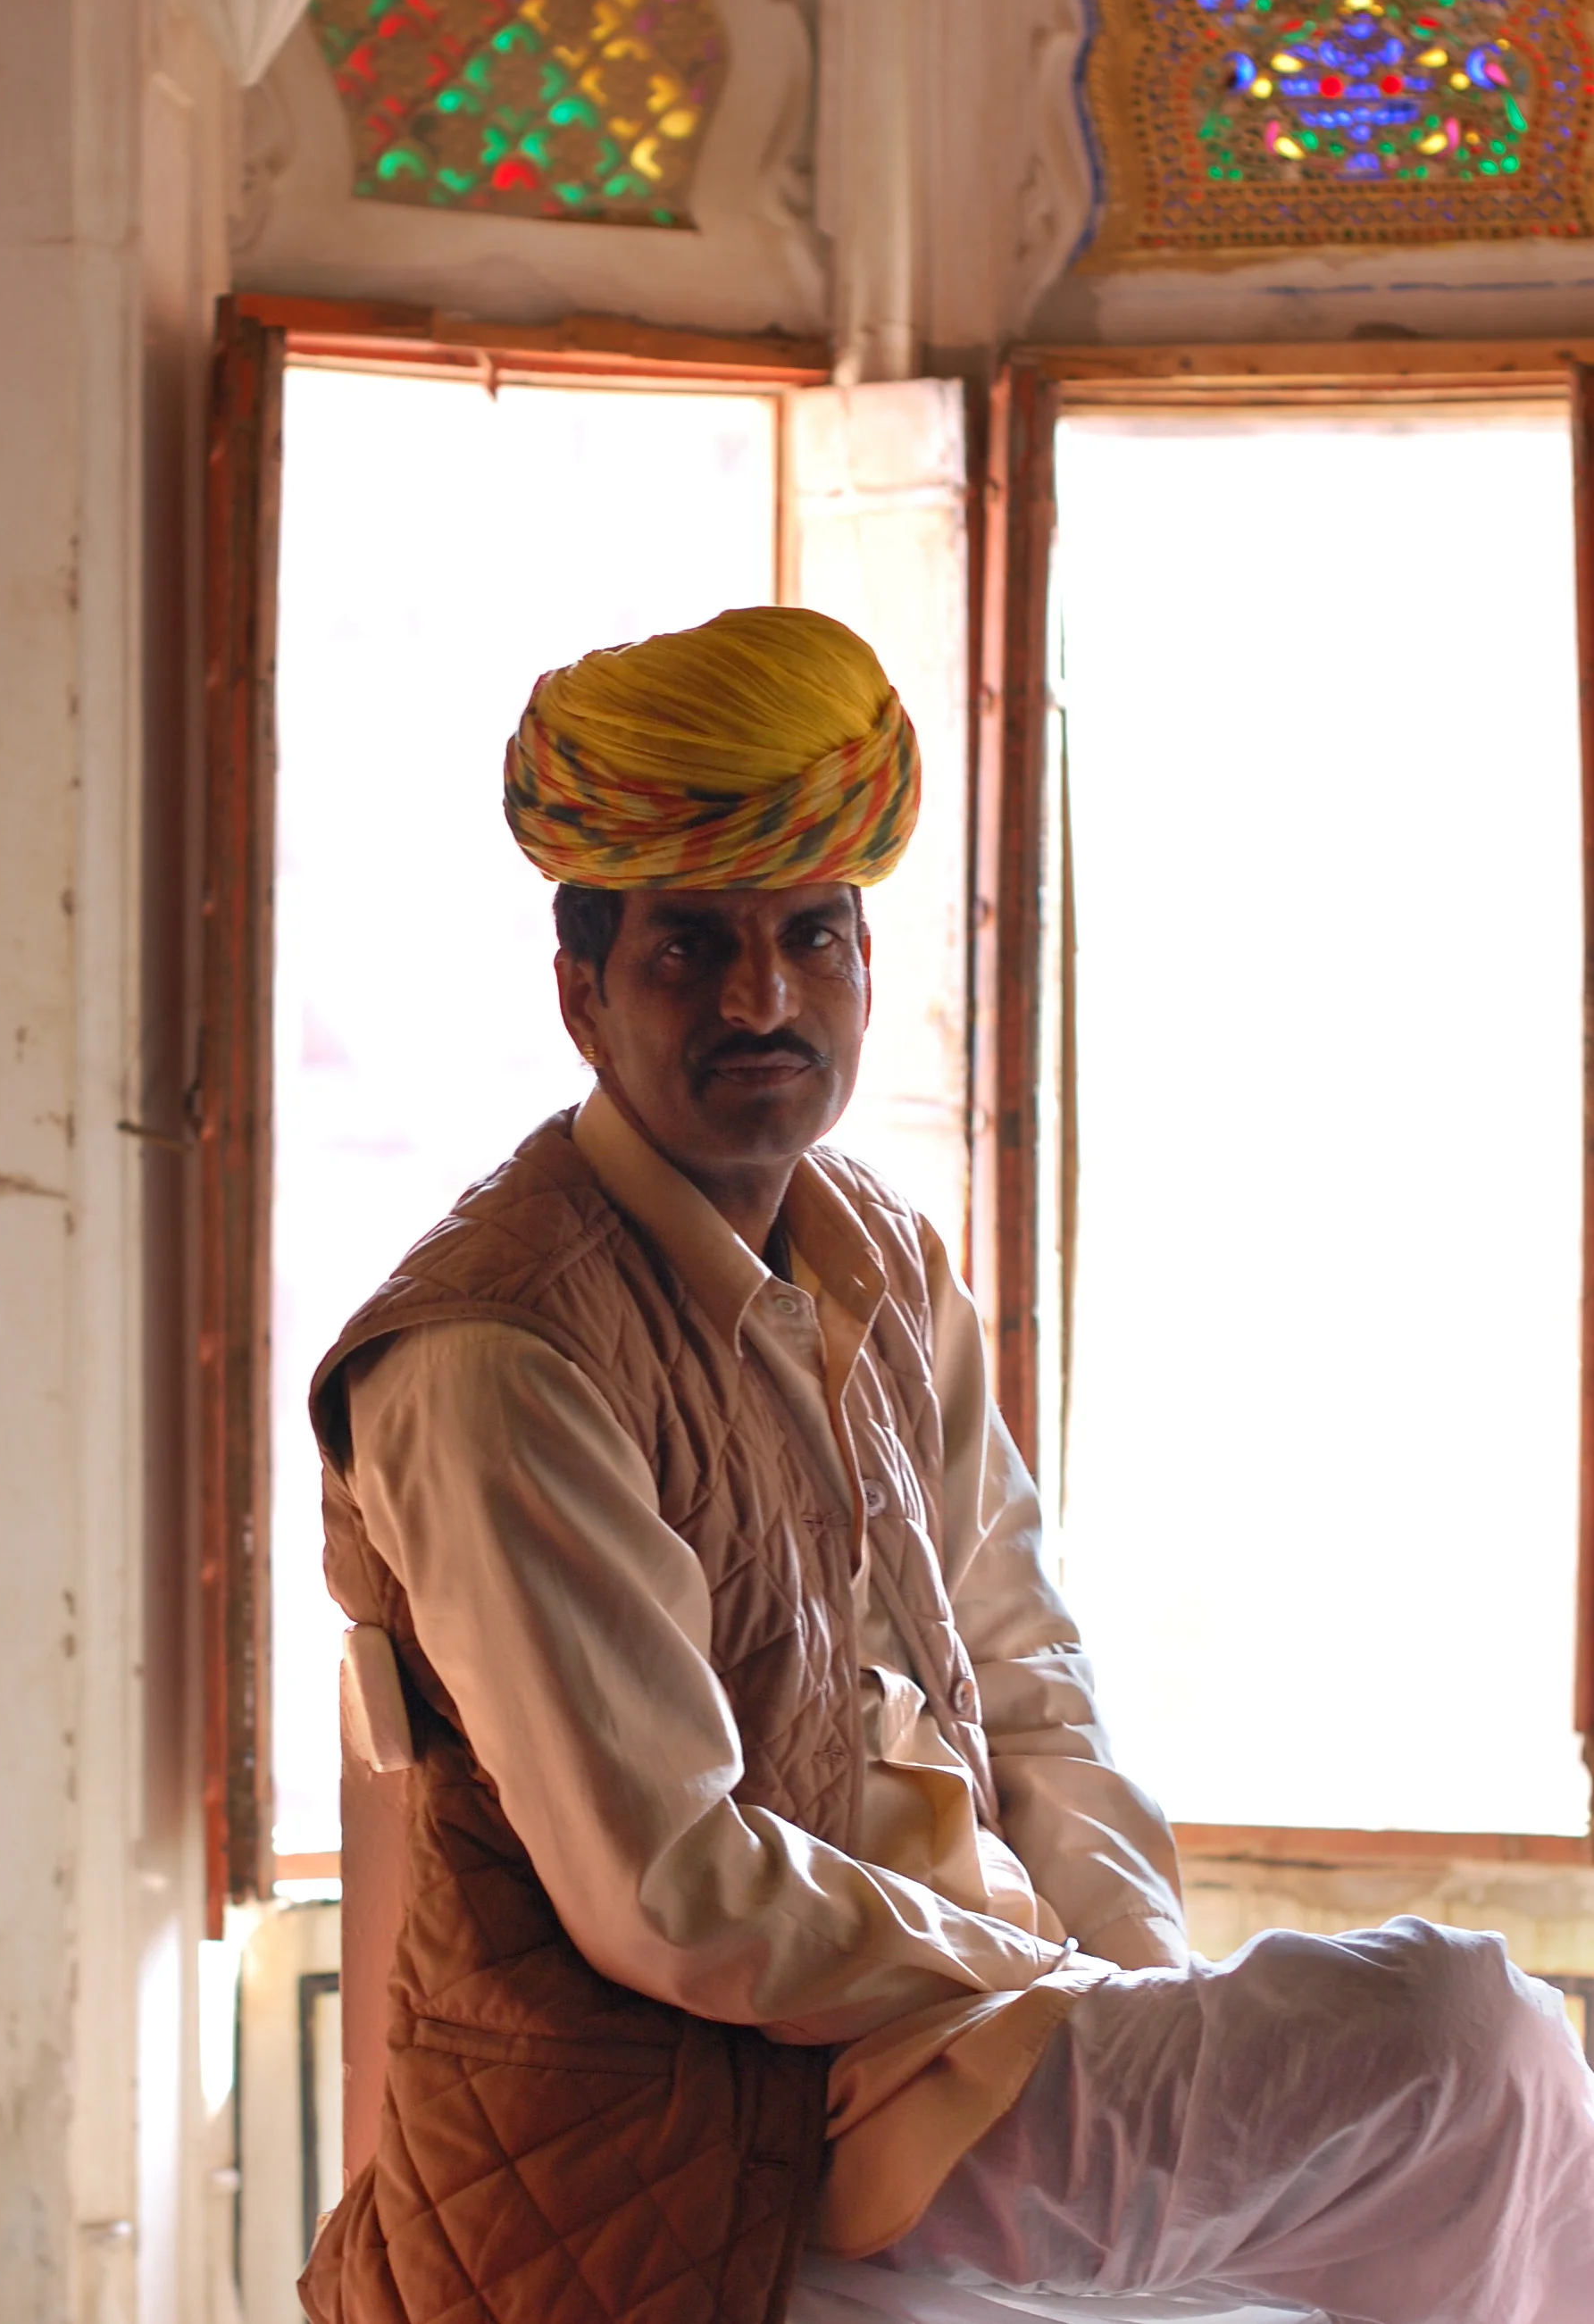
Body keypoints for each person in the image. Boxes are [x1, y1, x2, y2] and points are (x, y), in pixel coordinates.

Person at [299, 607, 1594, 2324]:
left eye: (809, 939)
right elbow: (669, 1887)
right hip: (732, 2114)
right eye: (693, 950)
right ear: (582, 995)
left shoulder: (885, 1265)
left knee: (1467, 2116)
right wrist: (1025, 1978)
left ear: (859, 966)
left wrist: (1132, 1985)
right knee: (1473, 2038)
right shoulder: (498, 1350)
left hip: (965, 2052)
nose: (762, 997)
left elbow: (1029, 1671)